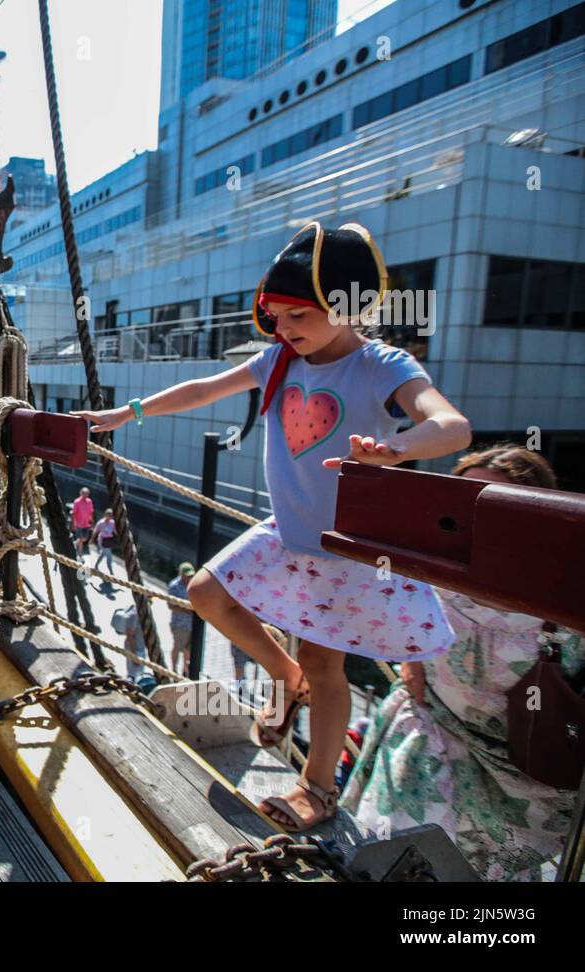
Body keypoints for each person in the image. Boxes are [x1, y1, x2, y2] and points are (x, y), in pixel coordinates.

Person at [74, 221, 473, 831]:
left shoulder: (381, 365)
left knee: (325, 663)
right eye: (276, 317)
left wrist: (395, 448)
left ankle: (316, 787)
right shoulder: (281, 360)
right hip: (289, 532)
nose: (284, 330)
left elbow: (451, 427)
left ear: (347, 307)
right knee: (206, 593)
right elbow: (207, 387)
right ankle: (283, 676)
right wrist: (127, 413)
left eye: (298, 316)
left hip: (349, 549)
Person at [344, 445, 584, 880]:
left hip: (527, 773)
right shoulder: (434, 568)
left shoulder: (568, 599)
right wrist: (367, 474)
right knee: (393, 852)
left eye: (493, 503)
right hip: (435, 731)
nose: (477, 520)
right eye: (467, 500)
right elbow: (375, 580)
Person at [166, 562, 196, 676]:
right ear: (181, 574)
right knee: (178, 647)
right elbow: (171, 605)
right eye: (187, 575)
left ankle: (185, 670)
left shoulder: (193, 584)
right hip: (180, 624)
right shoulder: (174, 586)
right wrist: (187, 610)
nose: (190, 577)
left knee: (188, 650)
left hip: (192, 624)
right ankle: (173, 669)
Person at [70, 486, 94, 557]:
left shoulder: (89, 501)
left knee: (84, 539)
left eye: (86, 493)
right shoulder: (77, 502)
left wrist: (92, 523)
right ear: (80, 493)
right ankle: (80, 555)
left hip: (86, 524)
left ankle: (74, 543)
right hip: (79, 524)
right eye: (83, 493)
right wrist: (73, 524)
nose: (85, 494)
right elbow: (74, 513)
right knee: (80, 539)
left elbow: (91, 512)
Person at [93, 508, 117, 577]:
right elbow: (95, 531)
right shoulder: (101, 522)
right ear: (105, 515)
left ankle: (96, 565)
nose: (110, 517)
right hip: (102, 540)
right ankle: (111, 572)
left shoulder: (112, 522)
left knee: (103, 554)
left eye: (111, 515)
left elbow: (114, 530)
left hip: (108, 541)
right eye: (108, 515)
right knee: (109, 556)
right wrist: (92, 540)